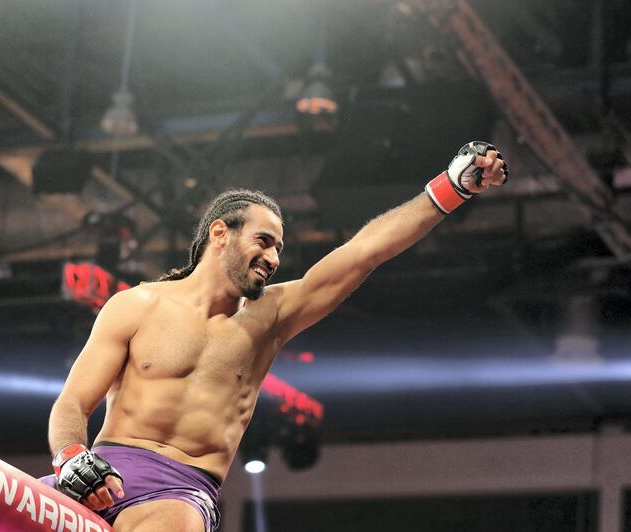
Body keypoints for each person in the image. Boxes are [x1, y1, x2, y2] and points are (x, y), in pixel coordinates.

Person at [40, 141, 509, 531]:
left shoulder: (272, 316)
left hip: (178, 490)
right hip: (98, 470)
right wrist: (70, 457)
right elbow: (72, 404)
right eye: (264, 241)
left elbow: (364, 253)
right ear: (219, 233)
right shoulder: (136, 305)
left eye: (280, 248)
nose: (274, 257)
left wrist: (451, 188)